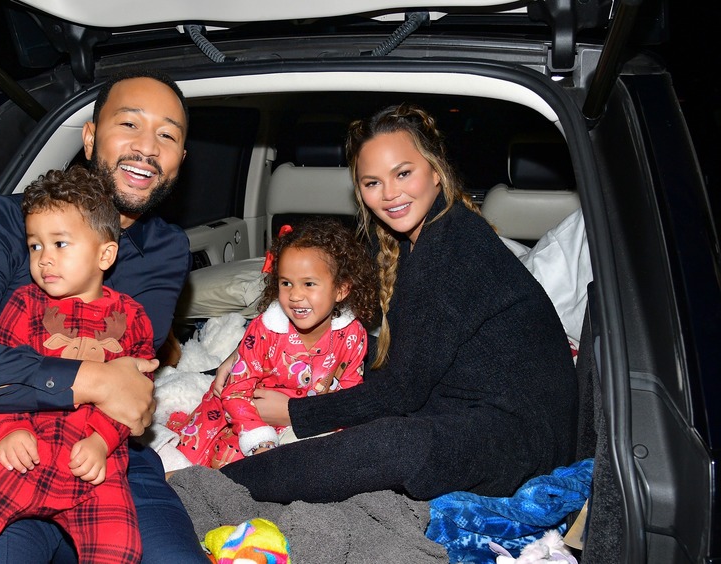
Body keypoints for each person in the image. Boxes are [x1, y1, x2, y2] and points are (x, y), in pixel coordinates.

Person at [0, 68, 207, 562]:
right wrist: (87, 378)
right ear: (89, 138)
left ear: (180, 160)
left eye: (167, 135)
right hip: (0, 436)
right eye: (129, 124)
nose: (148, 147)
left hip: (107, 451)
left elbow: (132, 373)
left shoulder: (166, 249)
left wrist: (105, 395)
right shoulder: (1, 223)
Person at [214, 103, 579, 504]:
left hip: (522, 439)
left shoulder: (454, 249)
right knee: (353, 357)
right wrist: (248, 349)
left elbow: (403, 390)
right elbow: (371, 334)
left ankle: (211, 489)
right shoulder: (408, 237)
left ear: (436, 171)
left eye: (403, 173)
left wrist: (295, 414)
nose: (389, 195)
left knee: (396, 444)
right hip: (466, 396)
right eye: (372, 183)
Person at [0, 166, 152, 563]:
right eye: (35, 246)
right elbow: (2, 372)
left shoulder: (133, 317)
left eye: (60, 244)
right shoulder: (23, 304)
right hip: (22, 457)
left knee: (122, 547)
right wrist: (9, 429)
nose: (44, 260)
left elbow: (135, 394)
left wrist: (102, 441)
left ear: (105, 254)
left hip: (93, 468)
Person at [172, 220, 378, 468]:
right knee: (215, 463)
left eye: (309, 284)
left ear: (341, 290)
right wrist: (259, 439)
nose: (295, 295)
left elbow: (350, 394)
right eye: (286, 283)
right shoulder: (265, 330)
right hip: (246, 413)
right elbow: (236, 391)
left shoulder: (353, 335)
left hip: (308, 418)